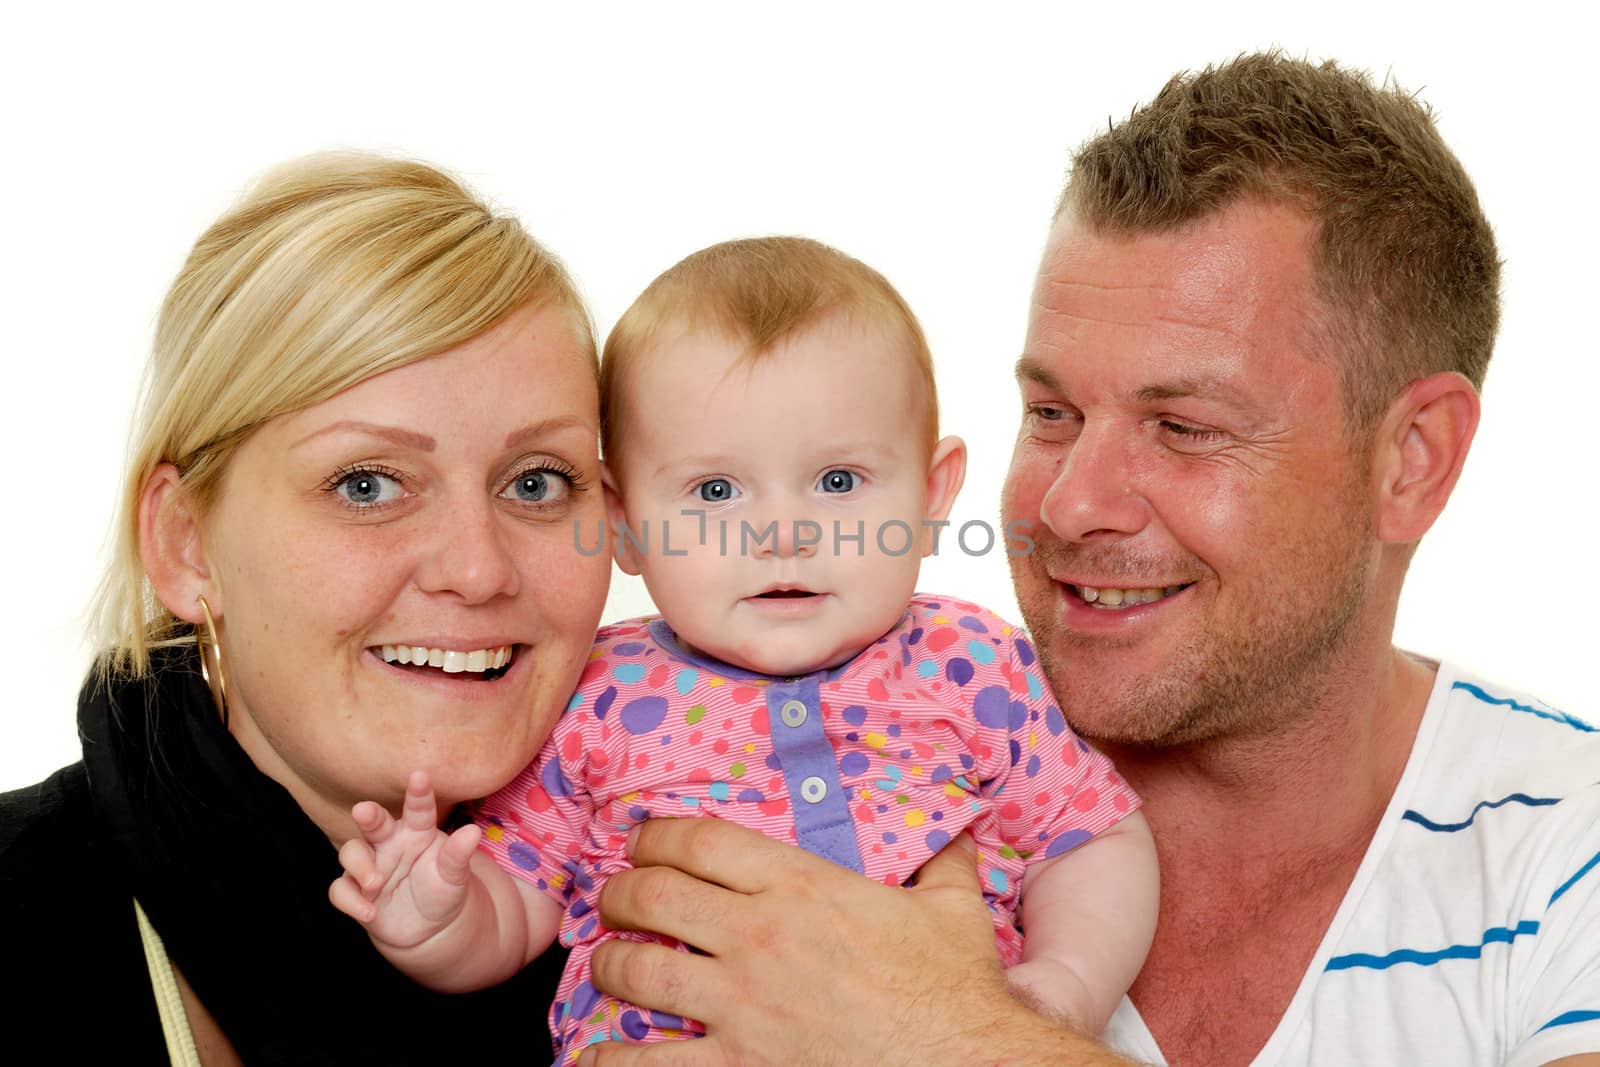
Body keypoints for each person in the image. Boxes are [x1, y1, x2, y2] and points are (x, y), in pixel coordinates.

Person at [570, 53, 1600, 1067]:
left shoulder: (1566, 839)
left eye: (1185, 425)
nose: (1070, 502)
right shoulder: (757, 745)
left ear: (1410, 460)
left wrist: (952, 1039)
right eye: (1052, 412)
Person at [331, 236, 1159, 1061]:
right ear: (622, 521)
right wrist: (437, 918)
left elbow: (1090, 837)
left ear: (932, 493)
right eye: (716, 491)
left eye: (837, 482)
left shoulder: (970, 662)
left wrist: (1061, 991)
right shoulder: (593, 695)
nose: (781, 536)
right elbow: (518, 900)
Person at [0, 153, 613, 1064]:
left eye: (537, 481)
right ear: (185, 544)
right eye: (367, 484)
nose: (479, 571)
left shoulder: (729, 903)